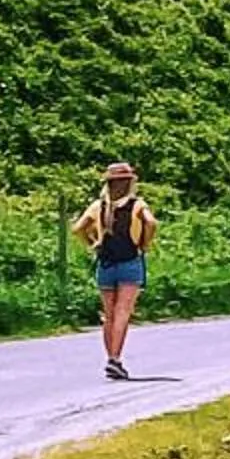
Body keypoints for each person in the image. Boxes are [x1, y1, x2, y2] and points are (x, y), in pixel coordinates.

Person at [69, 160, 157, 380]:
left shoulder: (98, 206)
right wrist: (145, 244)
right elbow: (151, 223)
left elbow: (77, 228)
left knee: (109, 315)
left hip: (105, 263)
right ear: (129, 182)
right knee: (122, 313)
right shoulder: (137, 205)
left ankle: (111, 357)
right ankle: (115, 359)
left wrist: (93, 243)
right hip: (130, 262)